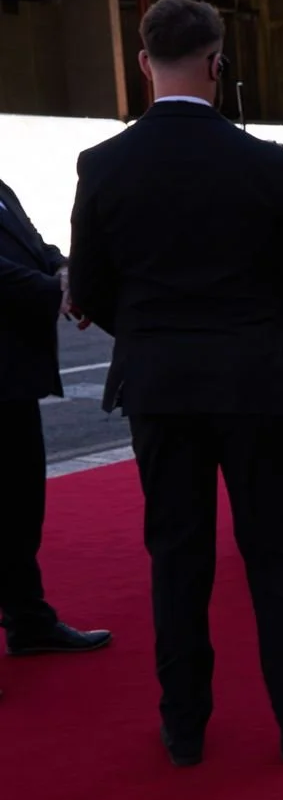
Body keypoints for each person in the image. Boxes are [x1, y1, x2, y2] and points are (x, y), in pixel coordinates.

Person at [68, 0, 283, 769]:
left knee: (177, 557)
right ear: (218, 63)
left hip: (160, 384)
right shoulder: (261, 164)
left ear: (143, 63)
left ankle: (183, 724)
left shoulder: (104, 164)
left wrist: (152, 334)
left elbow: (90, 287)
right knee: (271, 553)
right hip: (253, 380)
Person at [0, 176, 111, 674]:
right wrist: (59, 292)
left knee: (21, 508)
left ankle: (29, 622)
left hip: (13, 376)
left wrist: (67, 271)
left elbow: (35, 246)